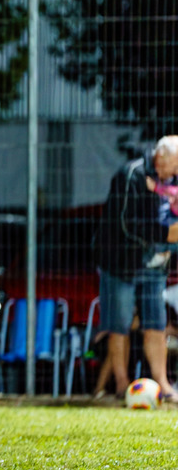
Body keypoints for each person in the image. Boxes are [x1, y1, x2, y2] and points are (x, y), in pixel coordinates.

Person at [92, 135, 178, 400]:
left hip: (155, 263)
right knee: (119, 325)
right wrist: (166, 236)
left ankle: (163, 385)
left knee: (156, 323)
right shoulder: (131, 175)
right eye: (175, 165)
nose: (176, 172)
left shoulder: (172, 179)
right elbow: (127, 224)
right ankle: (121, 385)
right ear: (160, 157)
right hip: (121, 263)